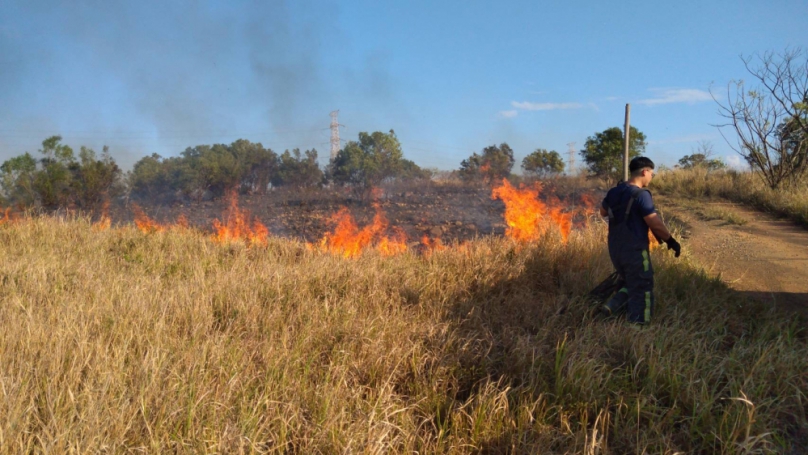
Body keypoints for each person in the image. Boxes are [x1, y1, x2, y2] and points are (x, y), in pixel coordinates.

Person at [598, 156, 681, 325]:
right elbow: (654, 222)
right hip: (635, 250)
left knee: (629, 281)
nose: (651, 177)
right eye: (651, 173)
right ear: (644, 172)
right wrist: (670, 241)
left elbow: (603, 212)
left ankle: (611, 307)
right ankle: (639, 327)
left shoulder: (614, 191)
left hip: (615, 249)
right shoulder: (642, 195)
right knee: (642, 285)